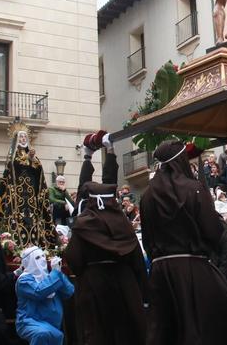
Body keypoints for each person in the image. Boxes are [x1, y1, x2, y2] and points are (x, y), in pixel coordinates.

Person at [141, 140, 227, 345]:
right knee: (214, 320)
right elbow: (211, 231)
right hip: (191, 268)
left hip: (160, 272)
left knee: (166, 330)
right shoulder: (193, 188)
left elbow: (147, 239)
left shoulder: (147, 196)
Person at [64, 135, 148, 345]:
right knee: (126, 331)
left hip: (94, 284)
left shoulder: (84, 222)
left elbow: (74, 259)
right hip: (124, 283)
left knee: (98, 332)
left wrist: (89, 157)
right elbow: (137, 260)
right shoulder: (121, 221)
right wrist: (108, 152)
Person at [0, 127, 56, 249]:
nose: (23, 139)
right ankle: (15, 246)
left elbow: (39, 172)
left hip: (31, 195)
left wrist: (31, 159)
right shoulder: (13, 157)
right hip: (17, 196)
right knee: (17, 219)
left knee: (32, 219)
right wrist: (26, 159)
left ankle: (34, 245)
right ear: (16, 139)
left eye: (25, 137)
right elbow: (11, 170)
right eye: (20, 137)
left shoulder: (33, 156)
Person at [15, 246, 75, 345]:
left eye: (43, 256)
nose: (42, 259)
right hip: (31, 322)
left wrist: (59, 273)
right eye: (37, 258)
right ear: (28, 262)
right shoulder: (24, 280)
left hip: (52, 324)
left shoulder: (51, 276)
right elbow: (39, 292)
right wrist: (55, 274)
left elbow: (69, 291)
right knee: (42, 334)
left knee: (53, 335)